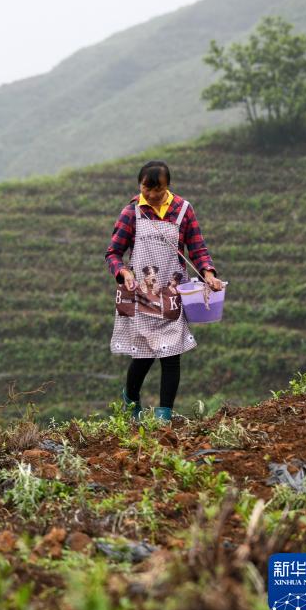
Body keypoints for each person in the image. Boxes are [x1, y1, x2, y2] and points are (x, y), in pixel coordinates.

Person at [106, 161, 223, 423]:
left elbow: (198, 248)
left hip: (171, 294)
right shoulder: (131, 212)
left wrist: (209, 274)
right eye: (146, 187)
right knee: (144, 356)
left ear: (167, 186)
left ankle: (164, 417)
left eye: (157, 189)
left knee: (171, 355)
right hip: (140, 294)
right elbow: (113, 252)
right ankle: (130, 400)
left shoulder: (183, 210)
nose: (151, 194)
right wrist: (123, 273)